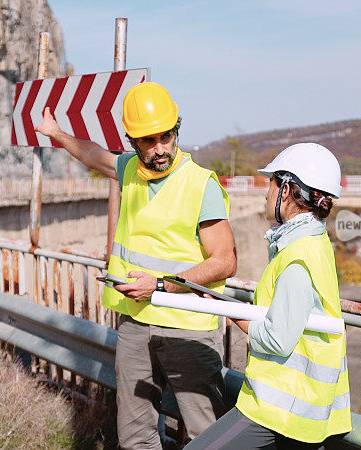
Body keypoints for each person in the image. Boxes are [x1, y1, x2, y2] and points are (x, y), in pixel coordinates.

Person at [34, 81, 237, 449]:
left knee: (206, 436)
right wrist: (57, 134)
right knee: (135, 434)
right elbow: (95, 155)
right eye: (148, 141)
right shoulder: (131, 170)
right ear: (132, 142)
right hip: (136, 323)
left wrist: (160, 285)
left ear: (176, 131)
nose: (160, 148)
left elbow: (225, 261)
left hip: (186, 327)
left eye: (166, 137)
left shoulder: (200, 184)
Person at [185, 143, 351, 449]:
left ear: (286, 190)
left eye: (270, 183)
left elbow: (278, 337)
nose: (266, 193)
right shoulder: (314, 241)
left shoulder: (298, 256)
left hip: (279, 408)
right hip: (300, 407)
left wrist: (229, 312)